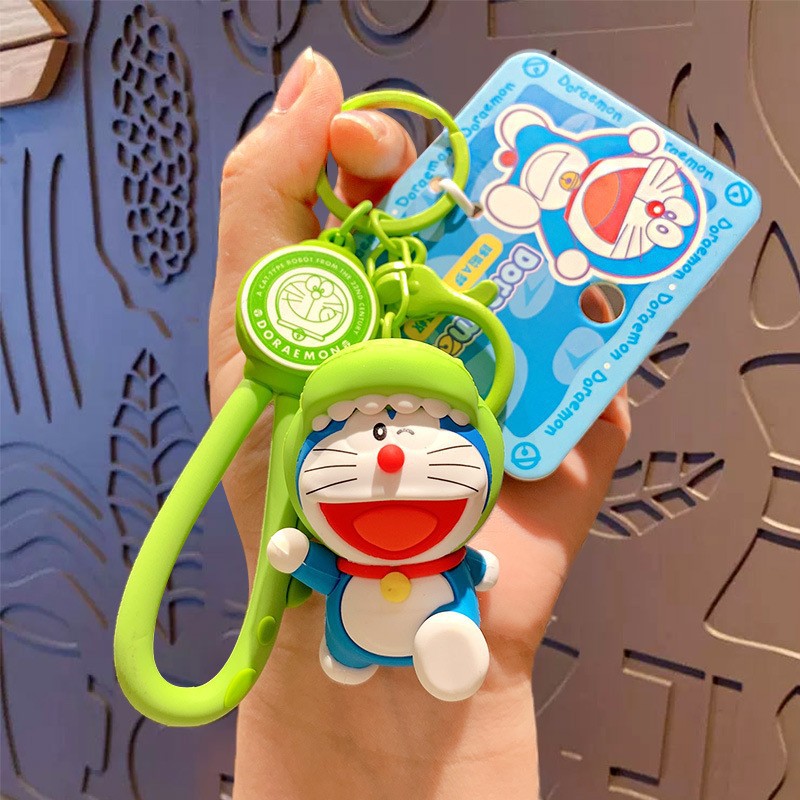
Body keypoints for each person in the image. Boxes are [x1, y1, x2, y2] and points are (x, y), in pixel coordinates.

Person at [210, 48, 630, 800]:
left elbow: (474, 566)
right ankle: (377, 652)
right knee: (348, 648)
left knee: (416, 629)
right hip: (339, 644)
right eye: (363, 428)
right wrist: (289, 546)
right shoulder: (323, 507)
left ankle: (445, 643)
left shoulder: (453, 531)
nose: (392, 459)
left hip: (441, 633)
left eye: (424, 427)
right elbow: (316, 565)